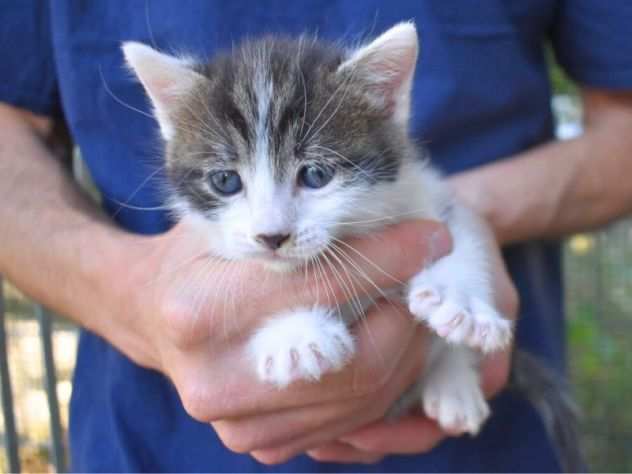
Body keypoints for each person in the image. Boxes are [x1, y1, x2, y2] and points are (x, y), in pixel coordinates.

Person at [1, 1, 631, 472]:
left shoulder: (392, 162)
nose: (271, 228)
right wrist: (129, 293)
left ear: (388, 102)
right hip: (154, 444)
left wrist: (453, 315)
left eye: (315, 175)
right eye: (228, 182)